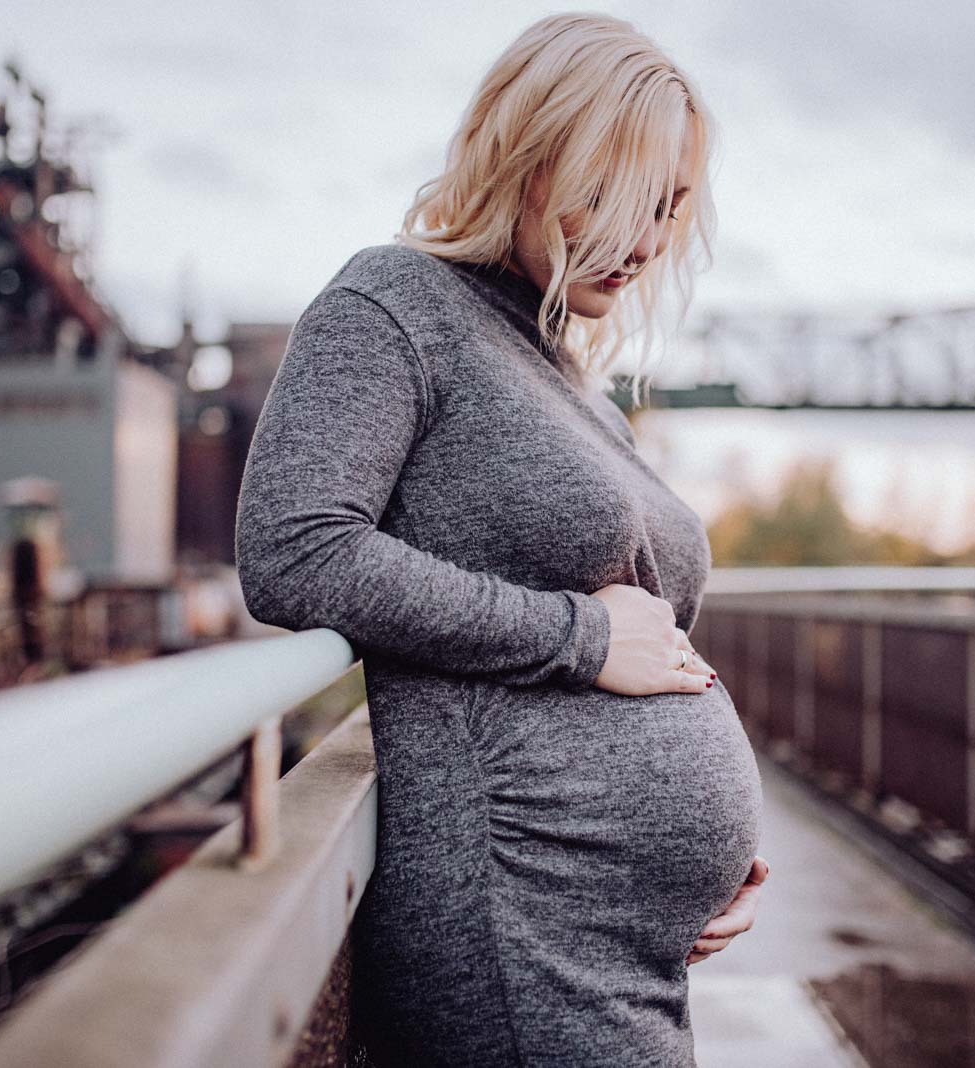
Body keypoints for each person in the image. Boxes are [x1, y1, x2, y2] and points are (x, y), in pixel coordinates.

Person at [235, 13, 766, 1066]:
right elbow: (292, 547)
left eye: (666, 208)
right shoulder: (392, 305)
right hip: (521, 929)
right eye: (617, 198)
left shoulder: (564, 372)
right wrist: (576, 637)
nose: (647, 239)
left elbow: (653, 637)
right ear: (526, 157)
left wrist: (721, 858)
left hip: (624, 950)